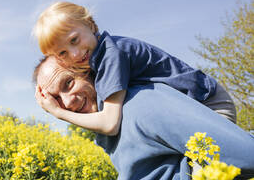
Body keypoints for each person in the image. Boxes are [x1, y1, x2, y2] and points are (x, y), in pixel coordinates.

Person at [33, 1, 236, 136]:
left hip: (210, 105)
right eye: (62, 54)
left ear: (90, 23)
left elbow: (110, 125)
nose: (75, 54)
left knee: (210, 172)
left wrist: (58, 113)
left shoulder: (112, 55)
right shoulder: (100, 56)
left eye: (74, 40)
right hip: (192, 113)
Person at [33, 56, 254, 180]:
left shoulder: (141, 105)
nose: (68, 102)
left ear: (87, 70)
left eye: (68, 83)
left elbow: (245, 154)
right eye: (55, 100)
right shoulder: (108, 130)